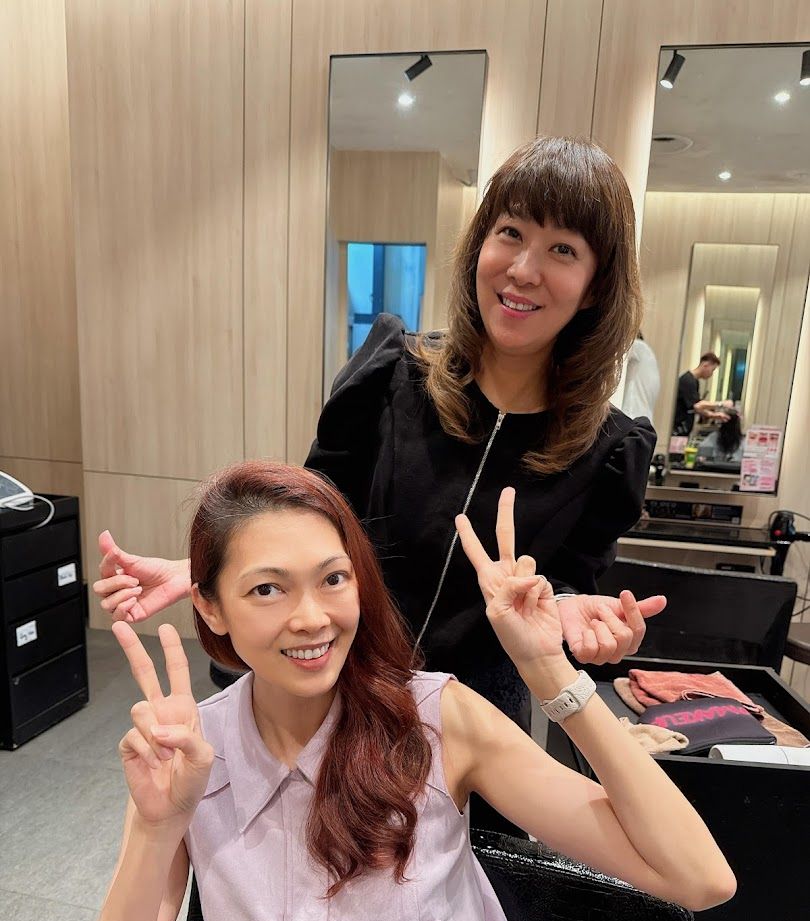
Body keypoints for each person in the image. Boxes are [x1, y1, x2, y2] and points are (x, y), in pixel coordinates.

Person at [56, 461, 736, 921]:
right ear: (209, 606)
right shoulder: (190, 759)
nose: (312, 618)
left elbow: (700, 879)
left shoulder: (437, 720)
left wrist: (547, 669)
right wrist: (155, 831)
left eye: (333, 579)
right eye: (267, 589)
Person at [94, 137, 667, 752]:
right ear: (480, 243)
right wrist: (208, 573)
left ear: (596, 285)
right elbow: (308, 521)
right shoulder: (392, 376)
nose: (524, 269)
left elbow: (568, 580)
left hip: (478, 722)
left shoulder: (608, 450)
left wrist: (572, 610)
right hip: (342, 683)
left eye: (562, 249)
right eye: (510, 233)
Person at [672, 352, 725, 436]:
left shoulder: (694, 381)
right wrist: (721, 404)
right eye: (712, 370)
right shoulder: (688, 381)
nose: (711, 374)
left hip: (683, 429)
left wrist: (714, 415)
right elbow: (697, 406)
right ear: (705, 365)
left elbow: (696, 407)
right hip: (678, 429)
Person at [620, 331, 660, 421]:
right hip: (644, 420)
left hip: (631, 415)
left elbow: (616, 350)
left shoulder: (639, 347)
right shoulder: (649, 358)